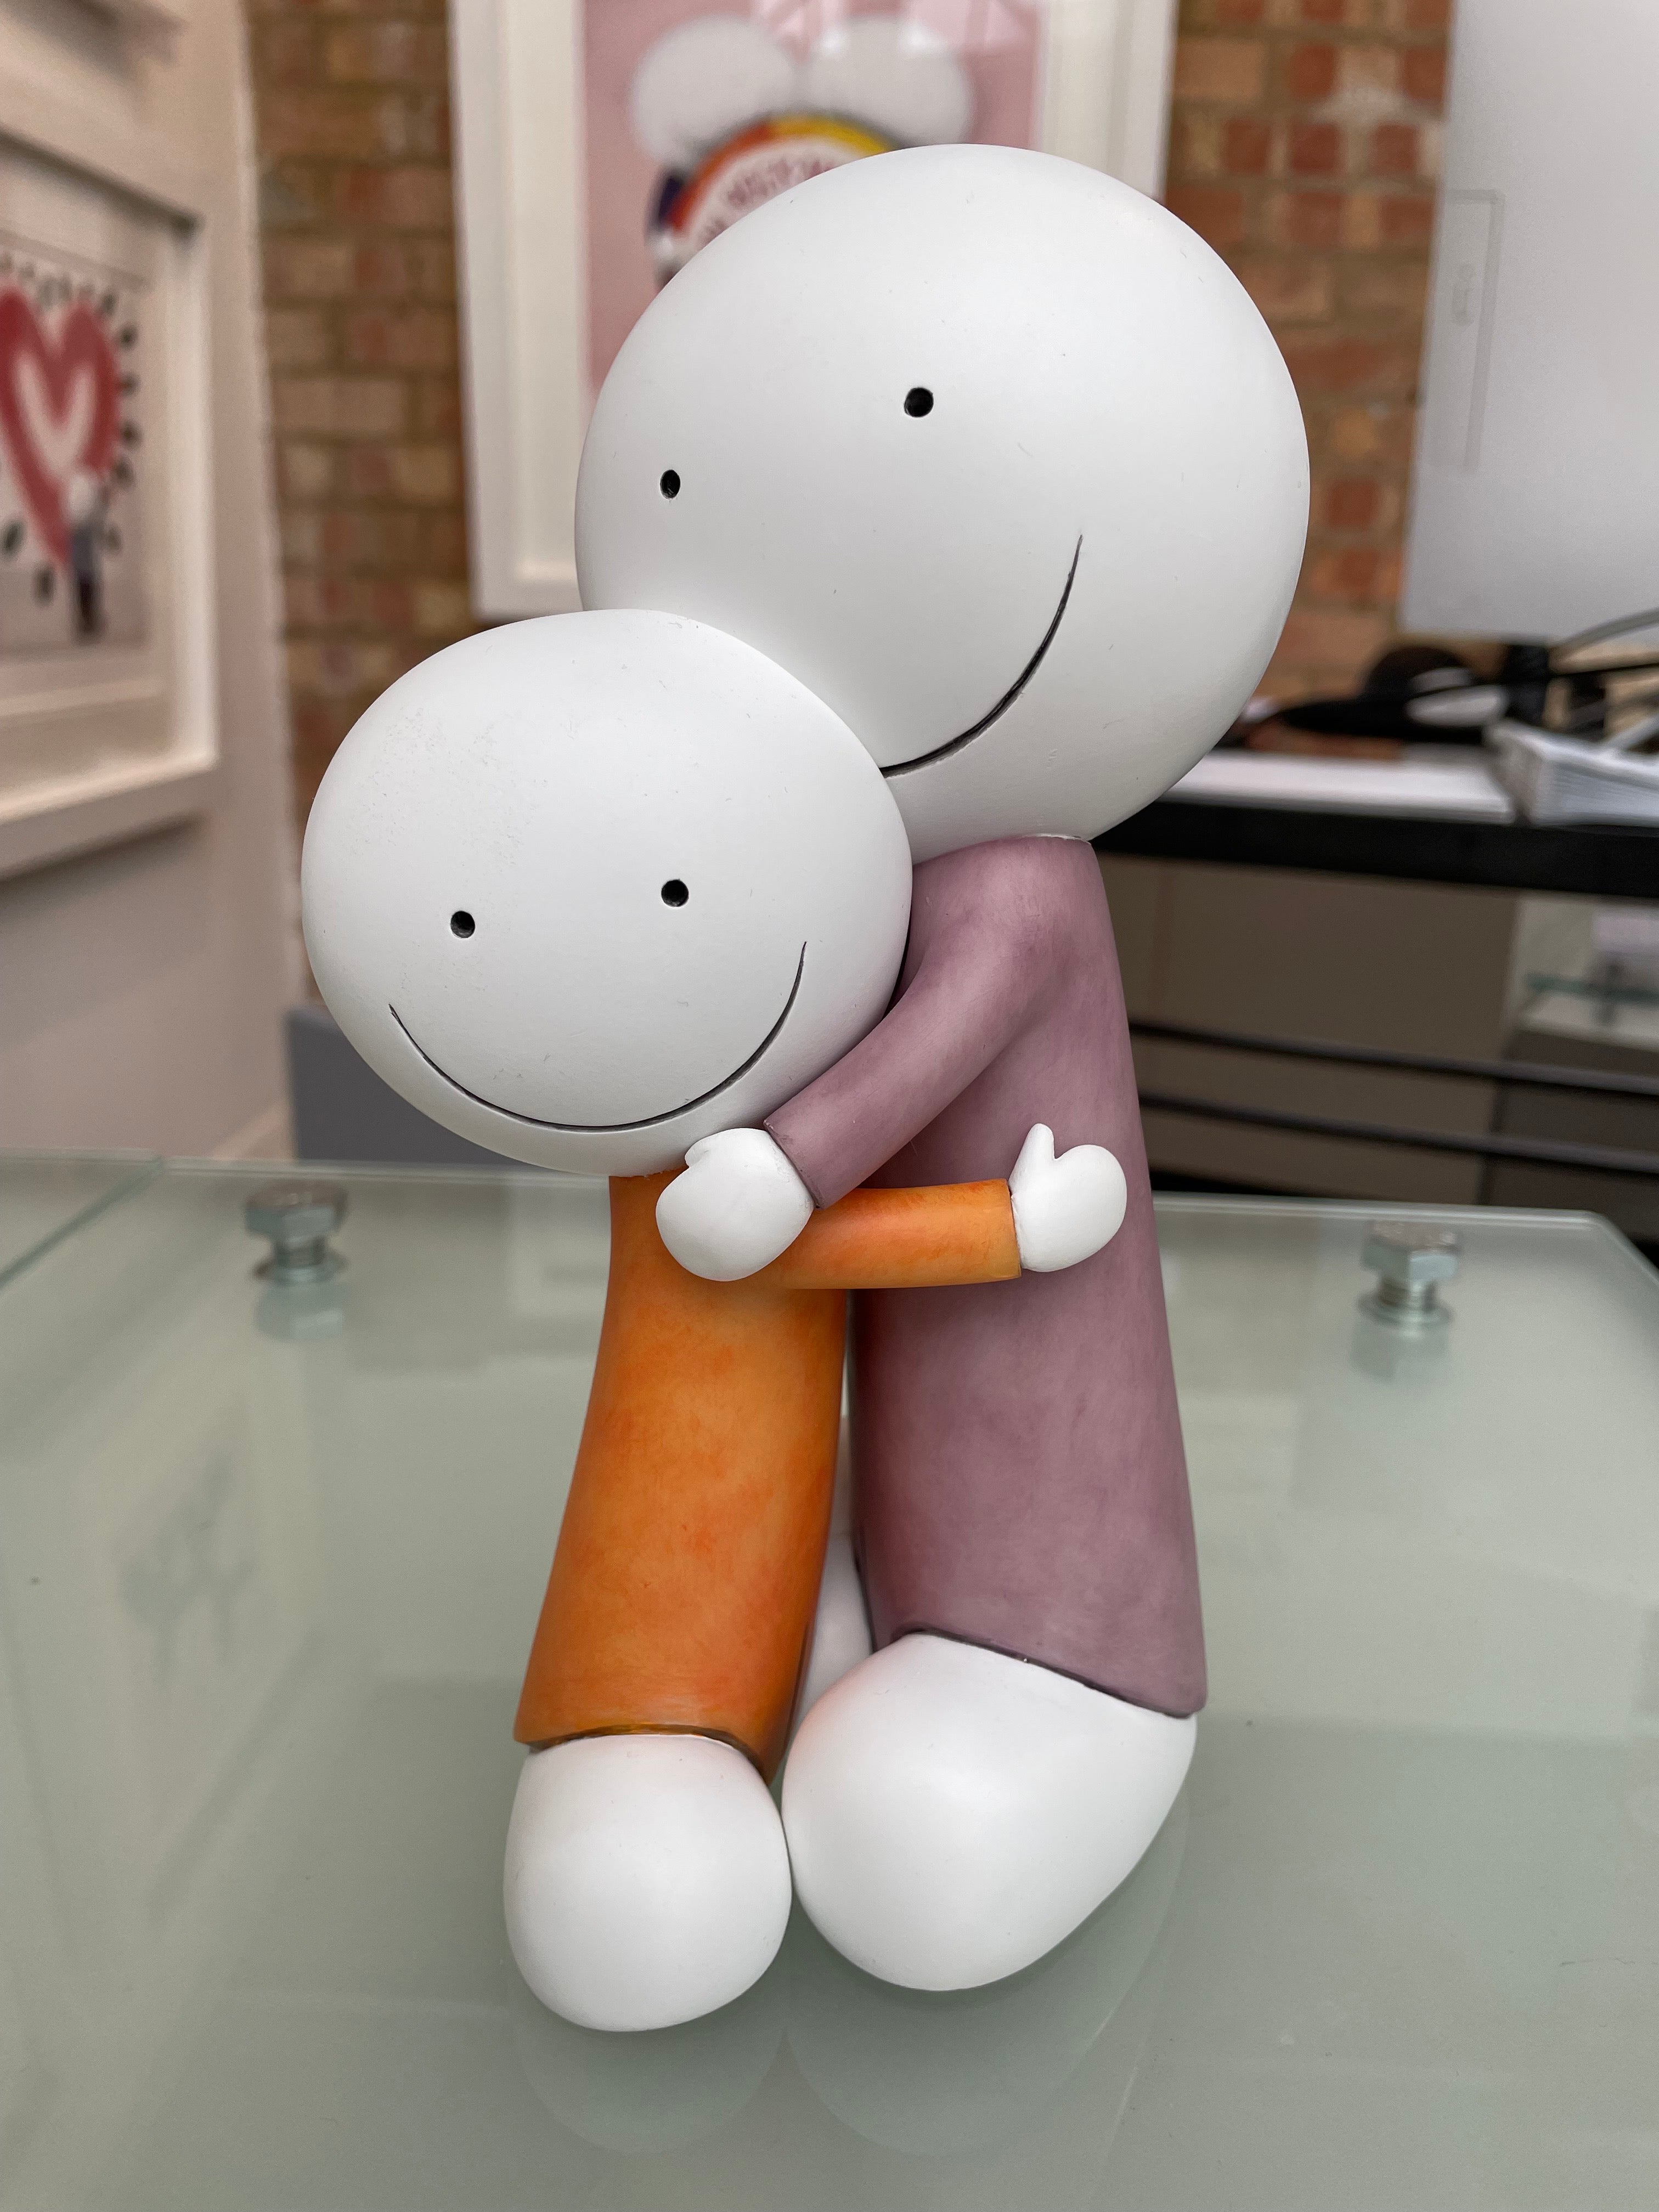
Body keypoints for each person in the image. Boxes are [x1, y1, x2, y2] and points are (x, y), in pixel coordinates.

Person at [579, 144, 1311, 1989]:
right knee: (889, 1522)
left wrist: (784, 1165)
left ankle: (1065, 1680)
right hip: (880, 1420)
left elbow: (925, 1053)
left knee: (910, 1841)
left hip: (1063, 1573)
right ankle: (877, 1614)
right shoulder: (830, 867)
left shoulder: (1015, 886)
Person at [301, 608, 1126, 2027]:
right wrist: (1010, 1227)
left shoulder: (727, 1153)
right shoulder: (703, 1191)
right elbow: (805, 1253)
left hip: (779, 1556)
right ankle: (657, 1770)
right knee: (645, 1884)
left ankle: (750, 1712)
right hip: (675, 1623)